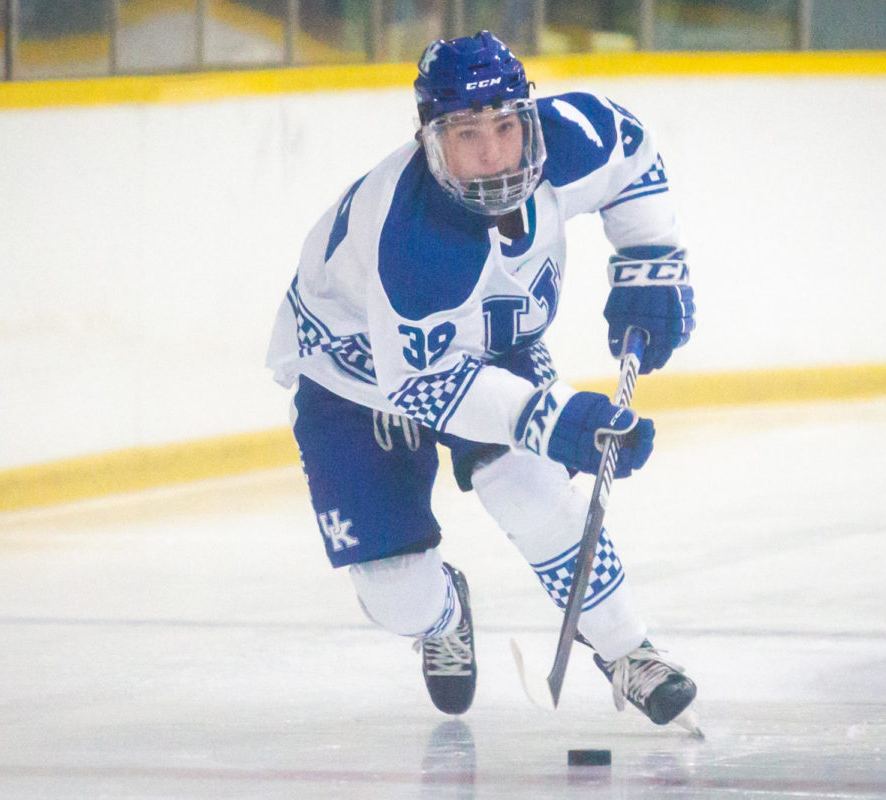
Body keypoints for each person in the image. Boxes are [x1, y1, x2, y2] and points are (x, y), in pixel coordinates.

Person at [266, 31, 697, 726]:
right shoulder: (410, 243)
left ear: (529, 115)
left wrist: (651, 259)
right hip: (355, 375)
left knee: (530, 493)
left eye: (505, 125)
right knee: (396, 597)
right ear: (430, 141)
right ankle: (443, 618)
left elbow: (632, 154)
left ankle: (628, 649)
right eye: (467, 134)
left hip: (482, 346)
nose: (494, 153)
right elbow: (427, 386)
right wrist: (550, 420)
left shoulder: (571, 138)